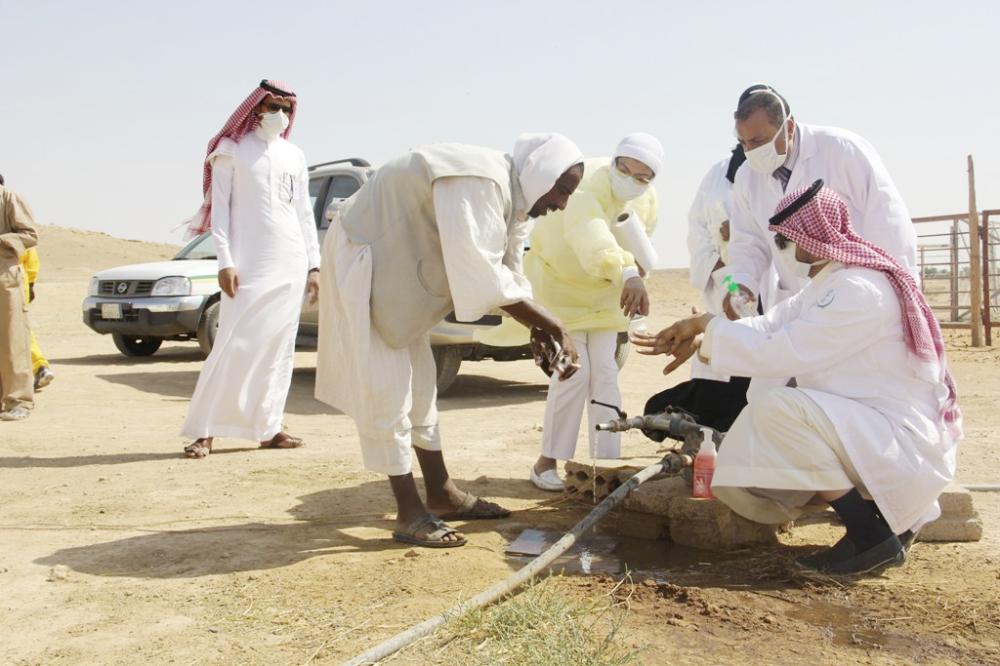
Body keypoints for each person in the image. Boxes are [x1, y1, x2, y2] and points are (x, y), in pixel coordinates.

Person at [633, 182, 962, 575]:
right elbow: (771, 324)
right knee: (781, 411)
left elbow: (783, 350)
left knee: (779, 409)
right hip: (876, 428)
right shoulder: (831, 283)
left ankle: (869, 534)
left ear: (815, 232)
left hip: (897, 438)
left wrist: (711, 338)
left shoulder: (856, 289)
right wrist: (705, 326)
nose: (787, 247)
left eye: (788, 238)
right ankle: (887, 526)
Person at [316, 133, 585, 548]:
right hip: (365, 257)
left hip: (398, 266)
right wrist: (555, 327)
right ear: (541, 174)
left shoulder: (513, 198)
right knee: (387, 387)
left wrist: (539, 325)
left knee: (421, 383)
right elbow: (481, 275)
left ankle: (441, 494)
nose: (563, 203)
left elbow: (507, 268)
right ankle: (409, 512)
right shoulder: (479, 181)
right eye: (562, 190)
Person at [180, 80, 320, 458]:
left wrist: (314, 265)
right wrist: (225, 260)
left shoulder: (295, 154)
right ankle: (204, 430)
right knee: (233, 343)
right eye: (273, 106)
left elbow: (304, 214)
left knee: (278, 348)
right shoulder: (232, 150)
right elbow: (220, 212)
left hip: (290, 261)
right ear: (254, 108)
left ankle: (269, 426)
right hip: (247, 262)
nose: (280, 115)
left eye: (286, 108)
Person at [524, 133, 663, 492]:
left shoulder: (647, 200)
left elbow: (640, 240)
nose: (631, 180)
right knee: (573, 373)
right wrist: (629, 272)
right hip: (564, 290)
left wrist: (637, 271)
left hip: (607, 295)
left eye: (642, 176)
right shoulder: (587, 184)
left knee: (605, 374)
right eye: (625, 169)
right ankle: (546, 463)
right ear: (615, 161)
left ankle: (606, 464)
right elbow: (591, 236)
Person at [723, 84, 918, 321]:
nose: (751, 151)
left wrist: (901, 295)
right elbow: (747, 244)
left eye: (758, 141)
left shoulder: (842, 150)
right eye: (744, 143)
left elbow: (889, 224)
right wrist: (742, 285)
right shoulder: (747, 176)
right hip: (797, 305)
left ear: (789, 127)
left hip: (859, 296)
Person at [643, 148, 756, 434]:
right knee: (659, 412)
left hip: (765, 365)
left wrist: (703, 335)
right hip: (729, 309)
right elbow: (709, 251)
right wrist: (706, 335)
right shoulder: (717, 179)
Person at [0, 176, 38, 421]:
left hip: (4, 277)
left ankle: (19, 400)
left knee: (12, 340)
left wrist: (3, 240)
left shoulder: (8, 197)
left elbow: (30, 234)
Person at [20, 247, 55, 390]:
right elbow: (31, 257)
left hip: (12, 284)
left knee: (16, 330)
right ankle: (40, 367)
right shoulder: (17, 230)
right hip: (19, 282)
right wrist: (31, 282)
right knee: (20, 328)